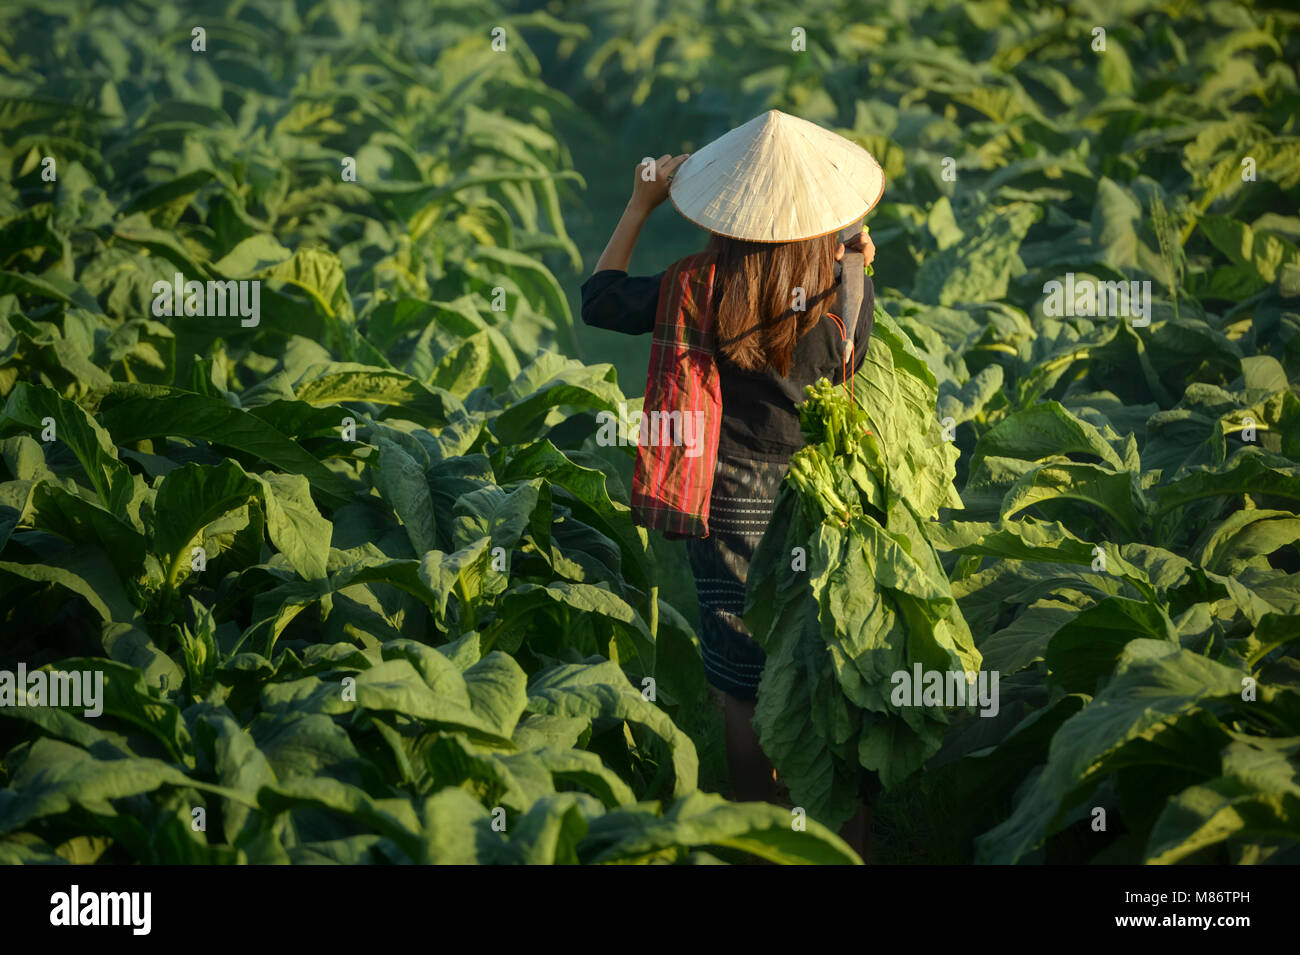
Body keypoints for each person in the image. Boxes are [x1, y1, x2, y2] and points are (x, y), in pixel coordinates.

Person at [580, 111, 881, 859]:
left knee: (740, 683)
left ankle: (757, 836)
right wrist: (855, 265)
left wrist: (640, 204)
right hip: (819, 496)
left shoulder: (698, 284)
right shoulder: (843, 289)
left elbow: (599, 297)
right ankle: (850, 840)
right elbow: (854, 361)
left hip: (729, 495)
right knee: (827, 660)